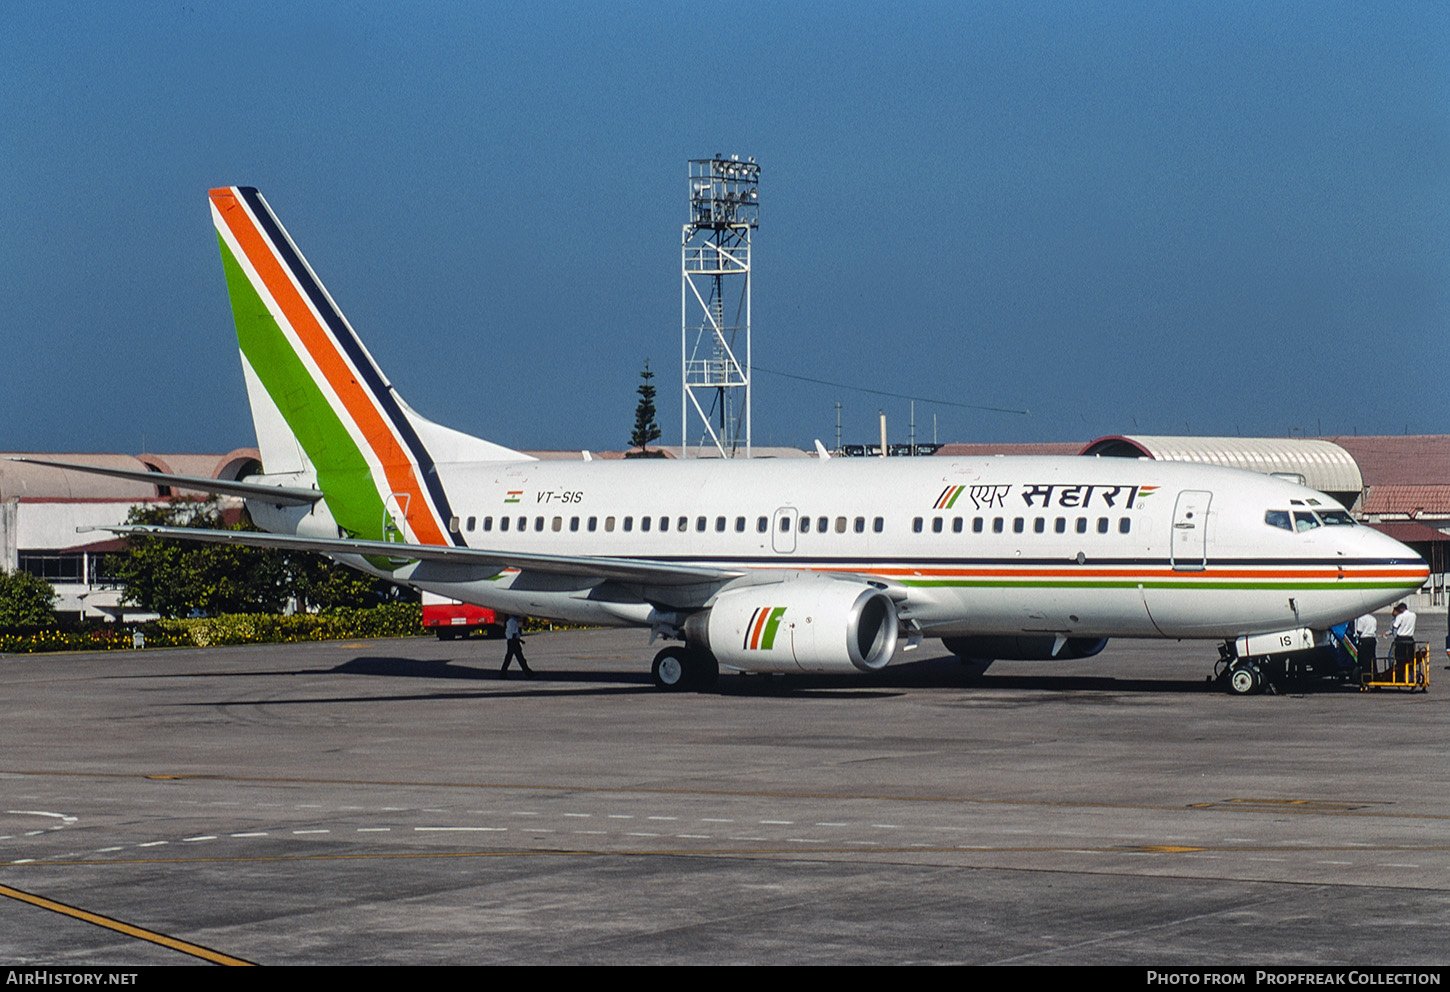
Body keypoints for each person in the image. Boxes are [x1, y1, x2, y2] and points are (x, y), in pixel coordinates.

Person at [1384, 602, 1416, 668]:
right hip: (1410, 638)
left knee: (1399, 659)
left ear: (1402, 609)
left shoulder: (1400, 616)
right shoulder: (1413, 615)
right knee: (1409, 658)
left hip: (1401, 639)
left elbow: (1395, 626)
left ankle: (1397, 673)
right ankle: (1409, 673)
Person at [1353, 611, 1377, 676]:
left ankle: (1365, 677)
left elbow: (1359, 630)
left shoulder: (1361, 618)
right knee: (1372, 658)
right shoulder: (1373, 618)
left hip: (1365, 639)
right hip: (1372, 639)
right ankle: (1374, 676)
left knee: (1364, 659)